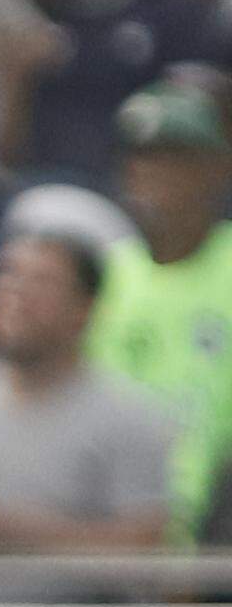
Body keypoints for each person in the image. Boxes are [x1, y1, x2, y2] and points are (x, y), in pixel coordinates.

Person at [0, 228, 181, 552]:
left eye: (41, 281)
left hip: (71, 603)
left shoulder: (131, 419)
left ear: (83, 309)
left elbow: (146, 552)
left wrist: (4, 526)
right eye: (7, 273)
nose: (14, 292)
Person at [88, 78, 232, 542]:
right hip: (113, 515)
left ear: (218, 168)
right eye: (139, 155)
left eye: (172, 156)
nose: (147, 170)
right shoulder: (105, 274)